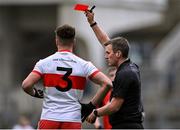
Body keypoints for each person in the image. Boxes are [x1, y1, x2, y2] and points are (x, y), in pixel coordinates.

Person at [22, 24, 112, 129]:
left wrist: (35, 93)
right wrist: (90, 106)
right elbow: (107, 84)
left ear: (56, 41)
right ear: (73, 42)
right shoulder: (84, 65)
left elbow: (26, 85)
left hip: (49, 118)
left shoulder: (44, 63)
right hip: (73, 120)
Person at [84, 10, 144, 129]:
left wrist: (95, 113)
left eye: (108, 53)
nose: (105, 56)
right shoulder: (130, 66)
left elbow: (114, 106)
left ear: (118, 54)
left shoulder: (125, 74)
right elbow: (106, 42)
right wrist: (92, 23)